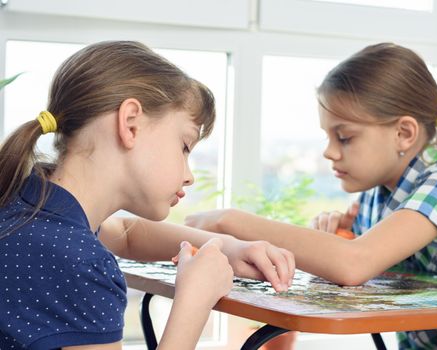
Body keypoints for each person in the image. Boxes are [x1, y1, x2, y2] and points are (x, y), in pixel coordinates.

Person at [185, 43, 437, 349]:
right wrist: (336, 239)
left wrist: (231, 220)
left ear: (404, 133)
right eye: (328, 137)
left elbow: (353, 263)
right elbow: (348, 266)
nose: (330, 153)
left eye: (344, 137)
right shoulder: (379, 197)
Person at [0, 41, 294, 350]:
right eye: (184, 146)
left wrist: (229, 249)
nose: (189, 175)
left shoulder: (31, 204)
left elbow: (125, 234)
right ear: (131, 124)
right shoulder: (79, 262)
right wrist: (194, 300)